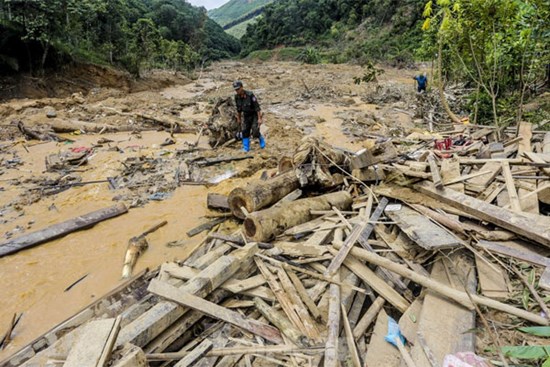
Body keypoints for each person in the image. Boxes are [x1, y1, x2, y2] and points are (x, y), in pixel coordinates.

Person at [233, 80, 265, 152]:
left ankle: (261, 140)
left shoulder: (250, 95)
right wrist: (239, 118)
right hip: (246, 115)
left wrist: (259, 118)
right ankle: (246, 148)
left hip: (254, 115)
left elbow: (257, 107)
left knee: (255, 131)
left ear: (242, 87)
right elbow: (239, 109)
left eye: (238, 89)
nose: (237, 91)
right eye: (236, 89)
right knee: (245, 131)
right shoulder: (236, 97)